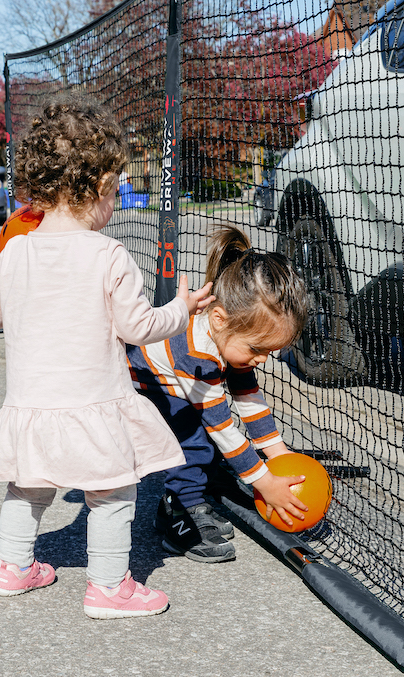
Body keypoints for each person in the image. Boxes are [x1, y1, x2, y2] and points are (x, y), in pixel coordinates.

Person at [0, 95, 213, 619]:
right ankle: (108, 588)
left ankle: (12, 569)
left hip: (30, 406)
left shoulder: (15, 251)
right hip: (94, 405)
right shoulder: (109, 255)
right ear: (104, 187)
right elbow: (140, 328)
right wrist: (183, 308)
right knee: (112, 493)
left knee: (27, 487)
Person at [127, 224, 311, 563]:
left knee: (205, 441)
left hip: (169, 383)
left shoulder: (231, 335)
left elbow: (250, 401)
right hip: (138, 384)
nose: (261, 359)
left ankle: (190, 497)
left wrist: (280, 456)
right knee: (196, 441)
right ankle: (179, 513)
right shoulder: (198, 355)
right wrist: (264, 482)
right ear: (219, 318)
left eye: (271, 351)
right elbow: (222, 428)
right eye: (258, 349)